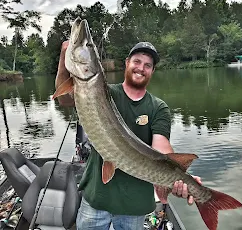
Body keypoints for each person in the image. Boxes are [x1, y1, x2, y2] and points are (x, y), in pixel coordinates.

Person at [55, 41, 201, 230]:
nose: (141, 68)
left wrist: (183, 179)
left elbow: (161, 149)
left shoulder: (158, 107)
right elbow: (64, 99)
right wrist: (63, 57)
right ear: (127, 63)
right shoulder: (103, 92)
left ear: (152, 71)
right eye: (137, 61)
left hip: (134, 206)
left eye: (147, 65)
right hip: (96, 199)